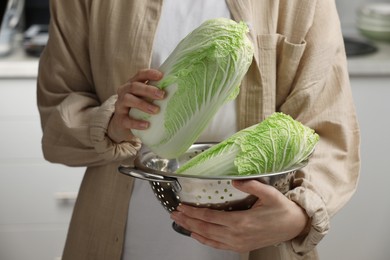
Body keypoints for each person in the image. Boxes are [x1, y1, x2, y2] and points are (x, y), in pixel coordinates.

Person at [37, 0, 360, 259]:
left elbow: (329, 128)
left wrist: (297, 217)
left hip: (264, 240)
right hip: (126, 238)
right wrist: (111, 124)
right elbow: (56, 117)